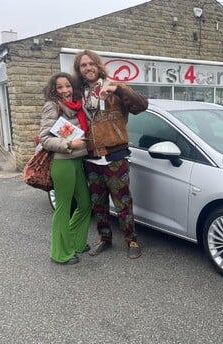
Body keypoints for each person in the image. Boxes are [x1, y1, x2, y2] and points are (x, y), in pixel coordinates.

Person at [72, 50, 148, 259]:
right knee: (98, 203)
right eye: (83, 65)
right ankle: (104, 239)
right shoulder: (79, 94)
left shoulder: (114, 88)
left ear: (98, 65)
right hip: (91, 158)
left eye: (91, 64)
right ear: (79, 70)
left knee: (123, 202)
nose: (88, 68)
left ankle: (131, 240)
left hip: (115, 157)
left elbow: (142, 105)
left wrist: (117, 89)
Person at [39, 72, 92, 265]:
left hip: (78, 161)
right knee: (63, 209)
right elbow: (44, 139)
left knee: (86, 204)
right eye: (60, 87)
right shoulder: (52, 106)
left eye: (67, 86)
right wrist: (69, 145)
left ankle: (76, 243)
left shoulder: (78, 105)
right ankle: (60, 253)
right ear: (54, 90)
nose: (65, 90)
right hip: (63, 162)